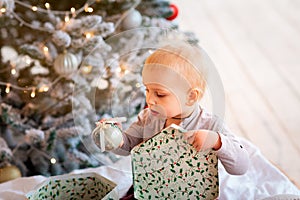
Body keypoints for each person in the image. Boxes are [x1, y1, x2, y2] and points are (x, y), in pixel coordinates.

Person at [101, 42, 249, 198]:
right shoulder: (148, 118)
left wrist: (218, 142)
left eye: (160, 94)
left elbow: (241, 166)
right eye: (147, 90)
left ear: (191, 96)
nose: (150, 100)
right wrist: (114, 137)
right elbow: (128, 146)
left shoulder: (210, 124)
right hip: (151, 190)